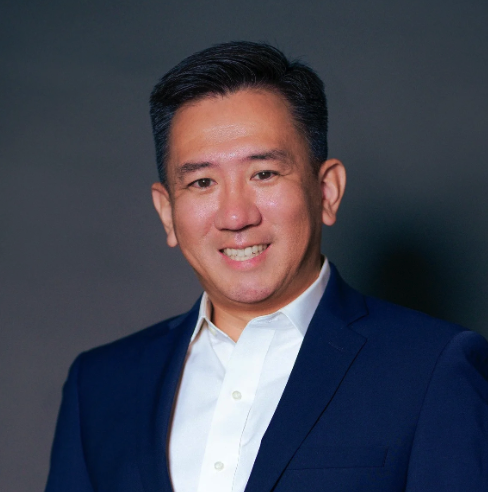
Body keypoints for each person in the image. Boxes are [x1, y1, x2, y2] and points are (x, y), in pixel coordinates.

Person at [45, 41, 488, 492]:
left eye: (264, 174)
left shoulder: (433, 368)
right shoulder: (99, 385)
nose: (236, 216)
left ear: (327, 191)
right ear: (167, 212)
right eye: (202, 182)